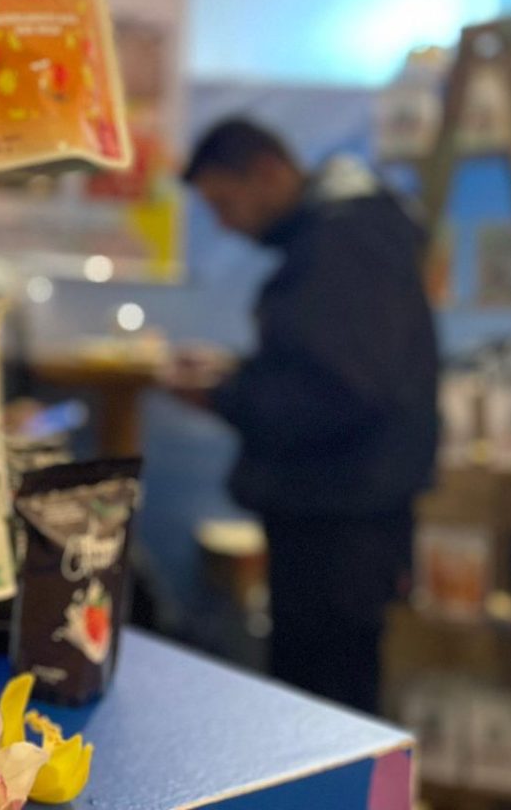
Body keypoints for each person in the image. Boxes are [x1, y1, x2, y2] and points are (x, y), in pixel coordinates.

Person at [166, 117, 439, 713]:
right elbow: (330, 365)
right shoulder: (339, 235)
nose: (224, 224)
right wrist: (238, 374)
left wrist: (225, 393)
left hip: (340, 520)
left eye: (224, 202)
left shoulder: (344, 240)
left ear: (267, 172)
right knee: (319, 695)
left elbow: (342, 394)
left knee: (324, 703)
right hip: (338, 509)